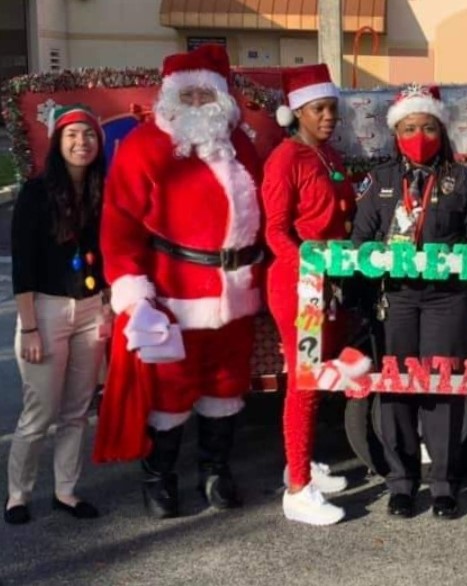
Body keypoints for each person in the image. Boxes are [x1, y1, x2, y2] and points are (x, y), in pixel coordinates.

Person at [93, 44, 265, 519]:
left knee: (227, 385)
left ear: (220, 98)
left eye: (203, 95)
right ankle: (159, 478)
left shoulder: (240, 145)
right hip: (174, 294)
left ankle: (215, 471)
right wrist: (132, 292)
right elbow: (119, 225)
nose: (195, 105)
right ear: (169, 97)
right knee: (170, 390)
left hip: (238, 291)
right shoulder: (145, 146)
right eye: (185, 95)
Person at [351, 85, 467, 520]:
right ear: (396, 133)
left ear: (440, 129)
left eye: (427, 126)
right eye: (410, 127)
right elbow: (360, 239)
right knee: (394, 387)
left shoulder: (463, 180)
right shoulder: (379, 181)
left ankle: (445, 485)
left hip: (447, 300)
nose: (419, 134)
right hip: (395, 298)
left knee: (441, 387)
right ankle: (401, 483)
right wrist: (367, 261)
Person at [5, 105, 110, 524]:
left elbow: (108, 254)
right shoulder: (35, 192)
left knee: (76, 410)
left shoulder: (103, 189)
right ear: (57, 141)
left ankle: (66, 491)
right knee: (39, 412)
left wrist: (107, 304)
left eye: (88, 134)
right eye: (71, 135)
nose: (81, 142)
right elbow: (24, 266)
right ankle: (18, 494)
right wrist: (29, 327)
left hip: (90, 309)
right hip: (45, 311)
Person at [262, 64, 355, 525]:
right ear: (297, 112)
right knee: (303, 382)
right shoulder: (284, 159)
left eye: (332, 109)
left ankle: (300, 464)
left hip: (329, 284)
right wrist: (310, 263)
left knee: (320, 379)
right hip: (297, 286)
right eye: (319, 109)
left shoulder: (330, 156)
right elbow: (275, 232)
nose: (328, 117)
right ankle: (297, 491)